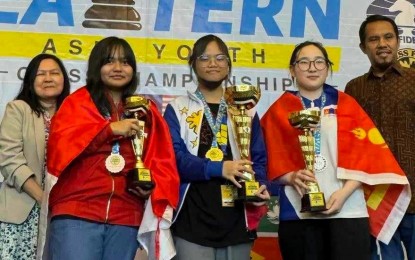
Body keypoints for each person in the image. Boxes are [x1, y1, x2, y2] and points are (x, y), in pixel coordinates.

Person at [261, 41, 410, 260]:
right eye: (304, 62)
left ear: (328, 68)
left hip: (348, 209)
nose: (312, 68)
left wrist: (344, 193)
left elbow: (368, 157)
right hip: (297, 213)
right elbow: (264, 159)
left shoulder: (347, 104)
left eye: (319, 61)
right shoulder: (278, 110)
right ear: (292, 69)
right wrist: (290, 176)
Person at [44, 36, 179, 260]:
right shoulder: (76, 103)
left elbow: (161, 158)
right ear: (97, 67)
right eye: (109, 61)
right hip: (78, 213)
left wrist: (151, 186)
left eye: (125, 62)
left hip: (126, 216)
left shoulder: (146, 110)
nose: (118, 68)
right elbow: (61, 150)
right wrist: (109, 130)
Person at [163, 34, 270, 260]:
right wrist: (220, 168)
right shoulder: (178, 107)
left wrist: (257, 187)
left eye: (220, 57)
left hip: (237, 217)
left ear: (229, 65)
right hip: (192, 217)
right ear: (193, 64)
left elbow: (259, 158)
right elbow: (174, 158)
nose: (213, 63)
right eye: (205, 57)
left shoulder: (246, 108)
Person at [344, 14, 415, 260]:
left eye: (388, 37)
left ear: (397, 41)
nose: (382, 44)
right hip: (377, 199)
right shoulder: (354, 89)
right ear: (364, 47)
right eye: (374, 39)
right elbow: (351, 143)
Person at [0, 53, 70, 259]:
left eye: (54, 73)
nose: (48, 78)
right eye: (41, 74)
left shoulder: (74, 117)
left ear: (64, 79)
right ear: (31, 81)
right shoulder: (18, 109)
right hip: (21, 212)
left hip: (62, 215)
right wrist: (43, 198)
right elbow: (9, 158)